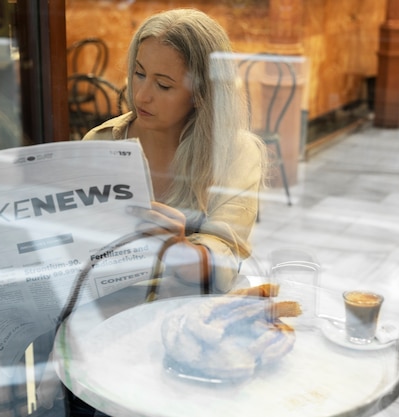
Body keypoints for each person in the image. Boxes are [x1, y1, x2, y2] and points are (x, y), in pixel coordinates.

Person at [83, 8, 266, 294]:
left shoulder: (236, 154)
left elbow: (226, 257)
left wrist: (179, 249)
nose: (142, 95)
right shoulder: (102, 142)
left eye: (164, 85)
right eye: (139, 74)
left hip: (181, 311)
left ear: (202, 94)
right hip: (106, 305)